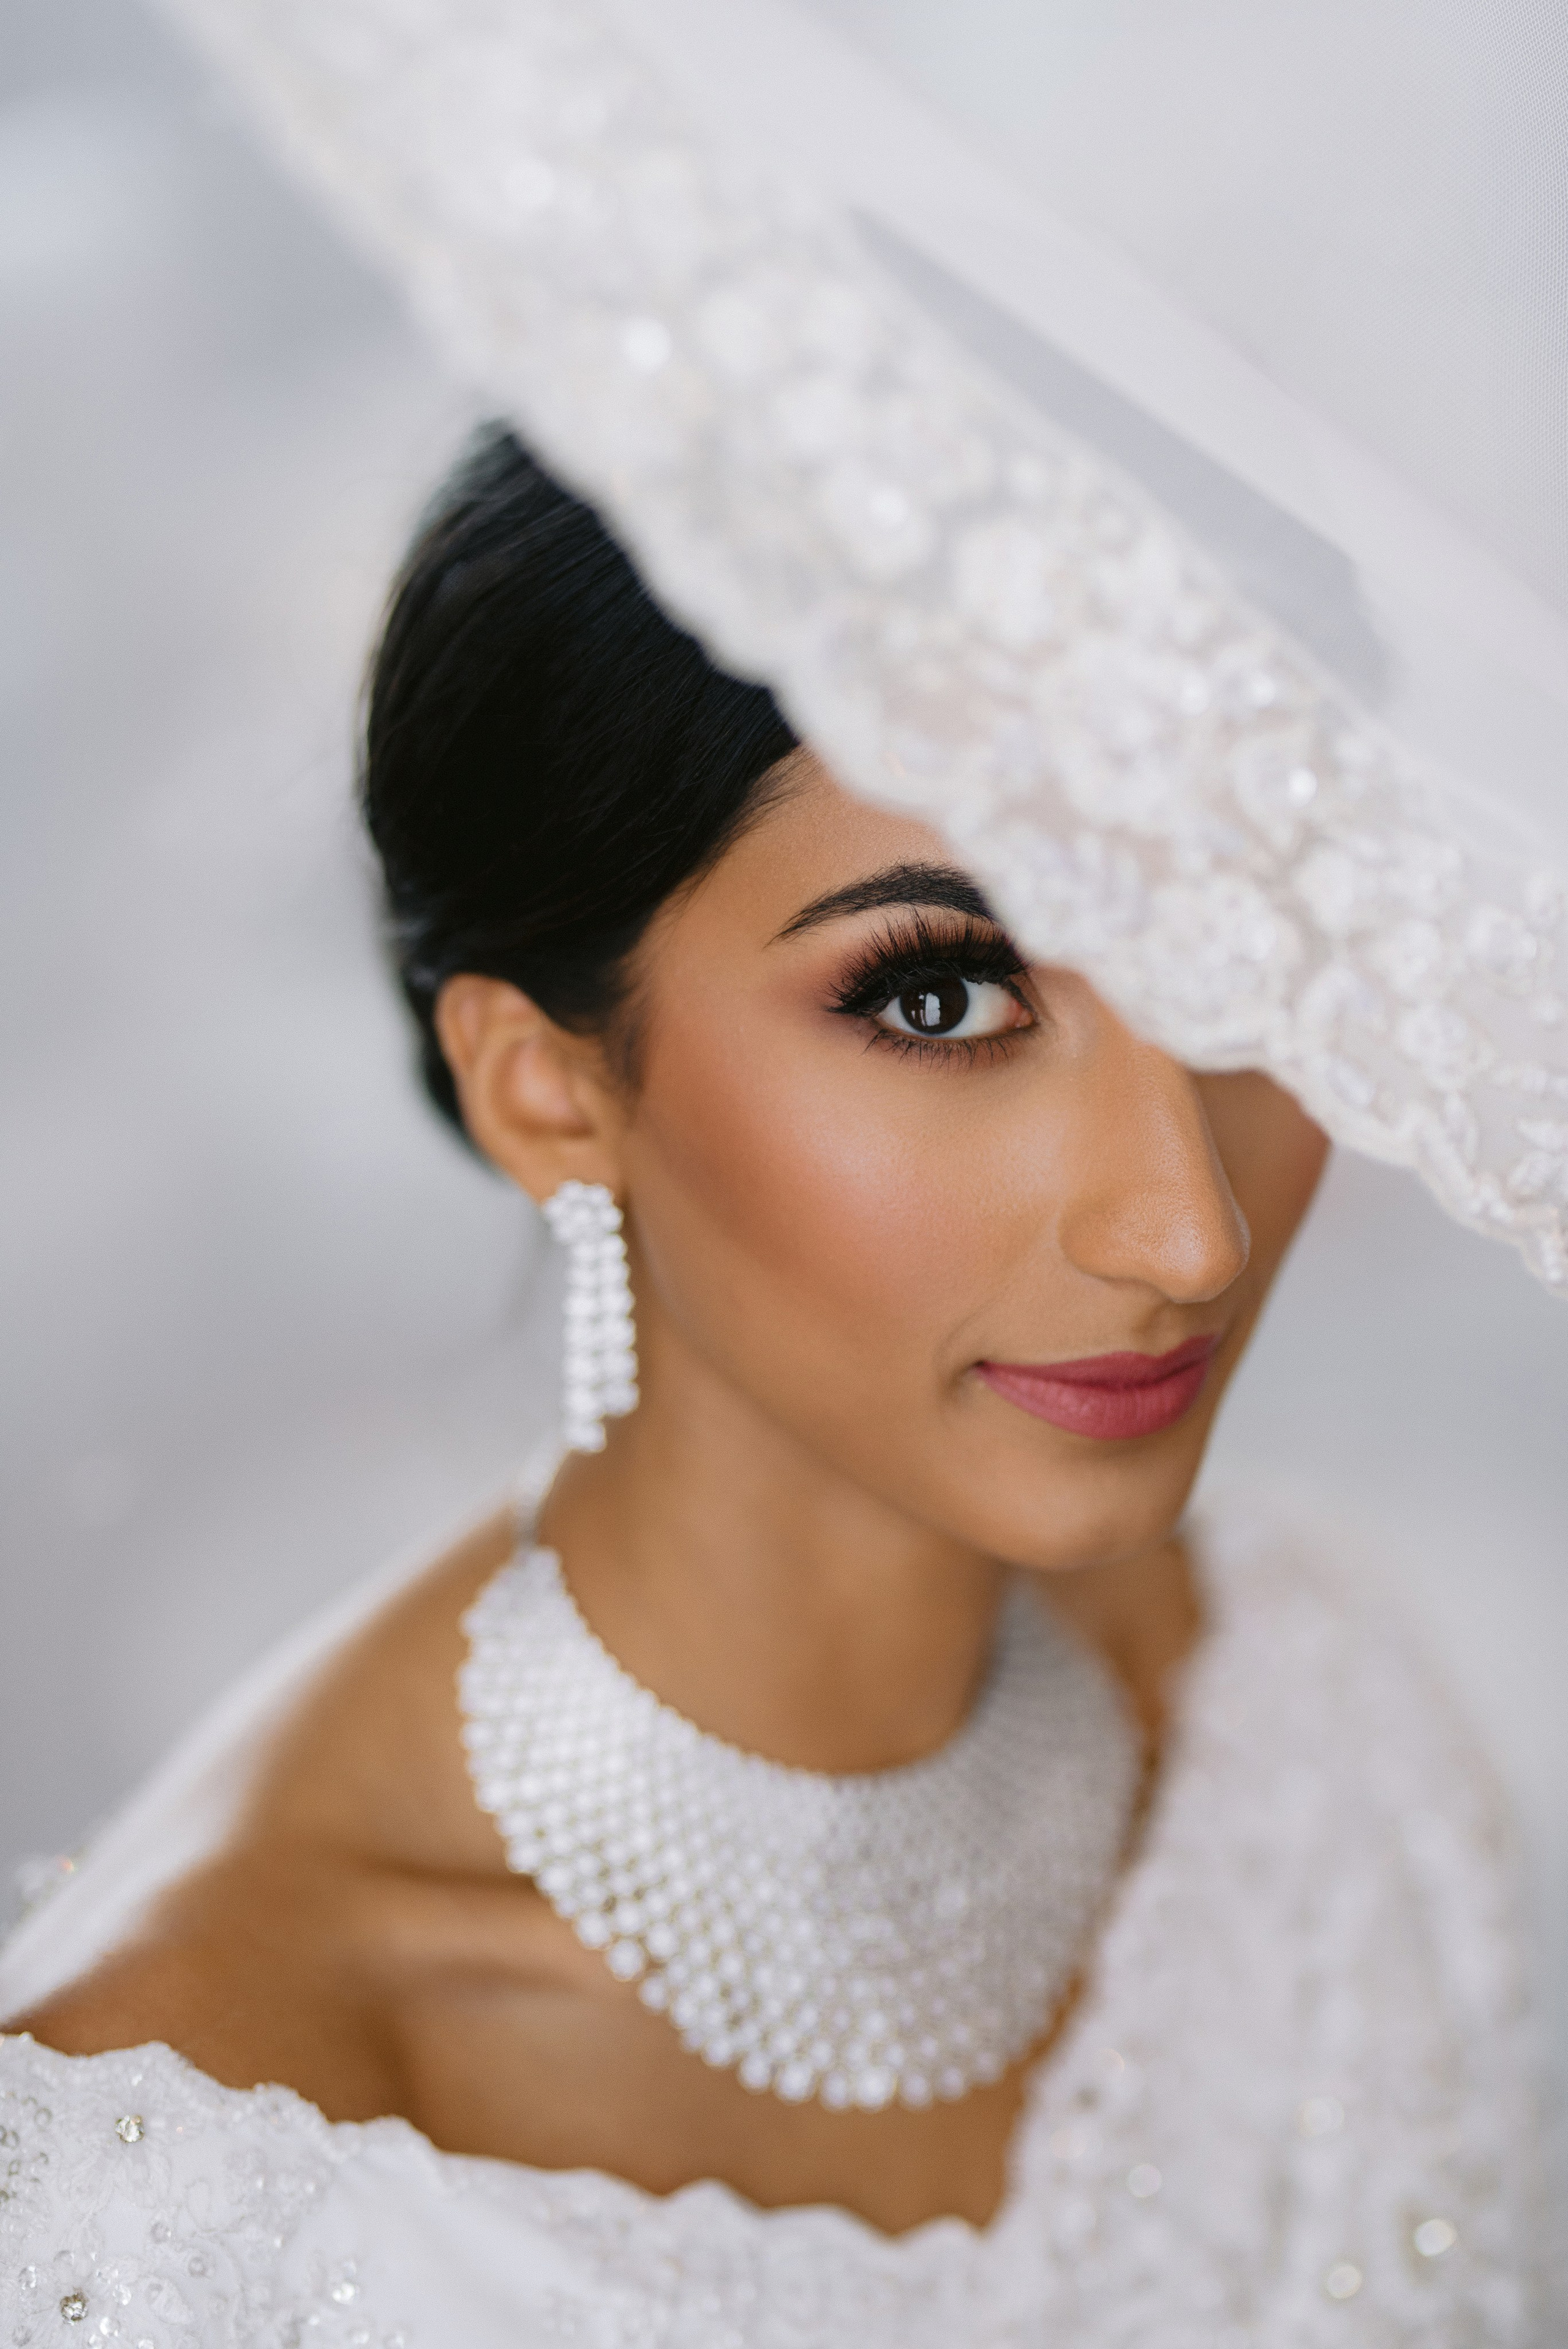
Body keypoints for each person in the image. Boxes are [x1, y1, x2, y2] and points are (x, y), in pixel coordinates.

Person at [0, 433, 1538, 2343]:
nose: (1189, 1225)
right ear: (548, 1086)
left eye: (1240, 974)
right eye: (940, 996)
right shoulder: (186, 2183)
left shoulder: (1303, 1712)